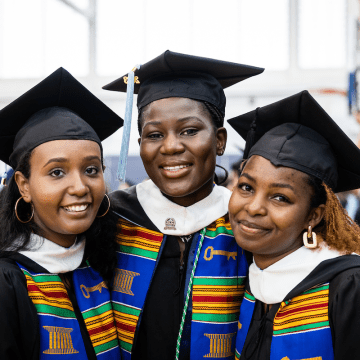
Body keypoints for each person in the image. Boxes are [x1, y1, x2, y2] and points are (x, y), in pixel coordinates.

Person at [102, 50, 264, 360]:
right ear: (140, 147)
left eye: (190, 131)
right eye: (154, 134)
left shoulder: (247, 221)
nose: (172, 145)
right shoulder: (113, 217)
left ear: (219, 141)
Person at [0, 68, 123, 360]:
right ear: (24, 186)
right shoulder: (8, 282)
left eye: (91, 170)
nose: (80, 187)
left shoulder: (104, 262)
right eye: (57, 172)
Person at [227, 90, 360, 360]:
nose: (253, 207)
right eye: (246, 187)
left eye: (280, 197)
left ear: (313, 216)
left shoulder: (348, 286)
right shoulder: (248, 277)